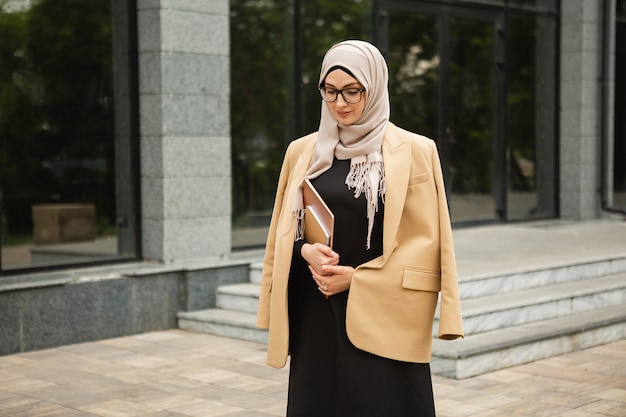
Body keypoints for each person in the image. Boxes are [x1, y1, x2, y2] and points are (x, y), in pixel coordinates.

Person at [256, 40, 463, 417]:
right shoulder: (302, 152)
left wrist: (357, 281)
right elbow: (284, 230)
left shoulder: (415, 150)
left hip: (383, 310)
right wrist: (304, 251)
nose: (340, 103)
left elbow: (428, 244)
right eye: (330, 91)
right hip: (314, 309)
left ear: (376, 85)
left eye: (353, 91)